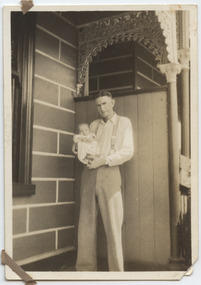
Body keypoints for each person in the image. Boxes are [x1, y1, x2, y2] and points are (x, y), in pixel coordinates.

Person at [75, 90, 134, 272]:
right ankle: (85, 271)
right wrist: (80, 150)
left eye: (105, 104)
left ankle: (116, 274)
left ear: (113, 103)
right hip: (89, 174)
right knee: (86, 223)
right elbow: (85, 146)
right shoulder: (93, 125)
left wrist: (104, 160)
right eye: (99, 105)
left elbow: (128, 151)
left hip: (110, 173)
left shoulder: (123, 123)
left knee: (113, 225)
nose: (102, 108)